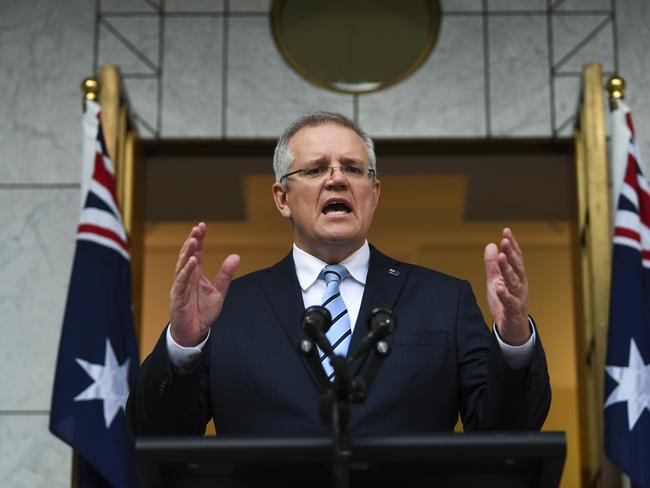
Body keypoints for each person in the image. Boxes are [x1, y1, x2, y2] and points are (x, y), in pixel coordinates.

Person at [127, 112, 550, 436]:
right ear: (282, 198)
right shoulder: (227, 311)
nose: (336, 180)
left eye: (352, 168)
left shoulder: (445, 300)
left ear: (374, 192)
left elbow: (505, 432)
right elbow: (156, 434)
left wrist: (514, 340)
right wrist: (184, 345)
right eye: (315, 170)